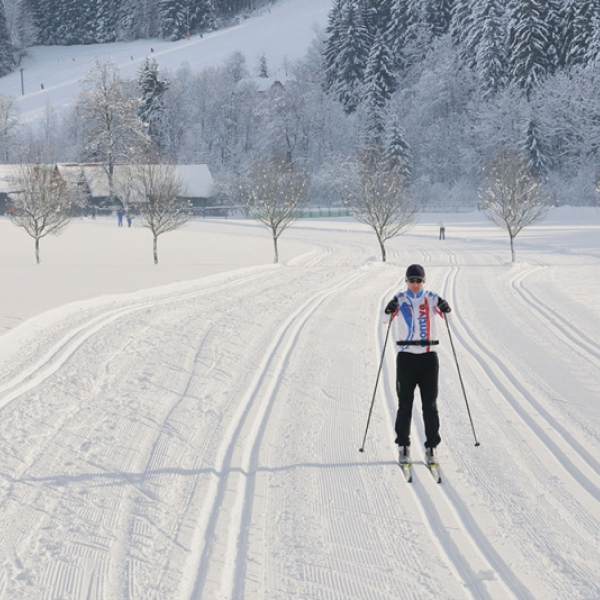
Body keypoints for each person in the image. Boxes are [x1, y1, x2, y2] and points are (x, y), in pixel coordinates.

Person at [384, 264, 451, 466]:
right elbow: (384, 320)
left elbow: (450, 317)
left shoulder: (431, 298)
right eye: (411, 280)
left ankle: (432, 447)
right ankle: (403, 446)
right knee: (405, 403)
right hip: (406, 357)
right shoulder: (400, 299)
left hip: (428, 357)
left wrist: (445, 306)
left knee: (430, 404)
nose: (414, 284)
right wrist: (389, 309)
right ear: (406, 281)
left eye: (418, 280)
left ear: (424, 281)